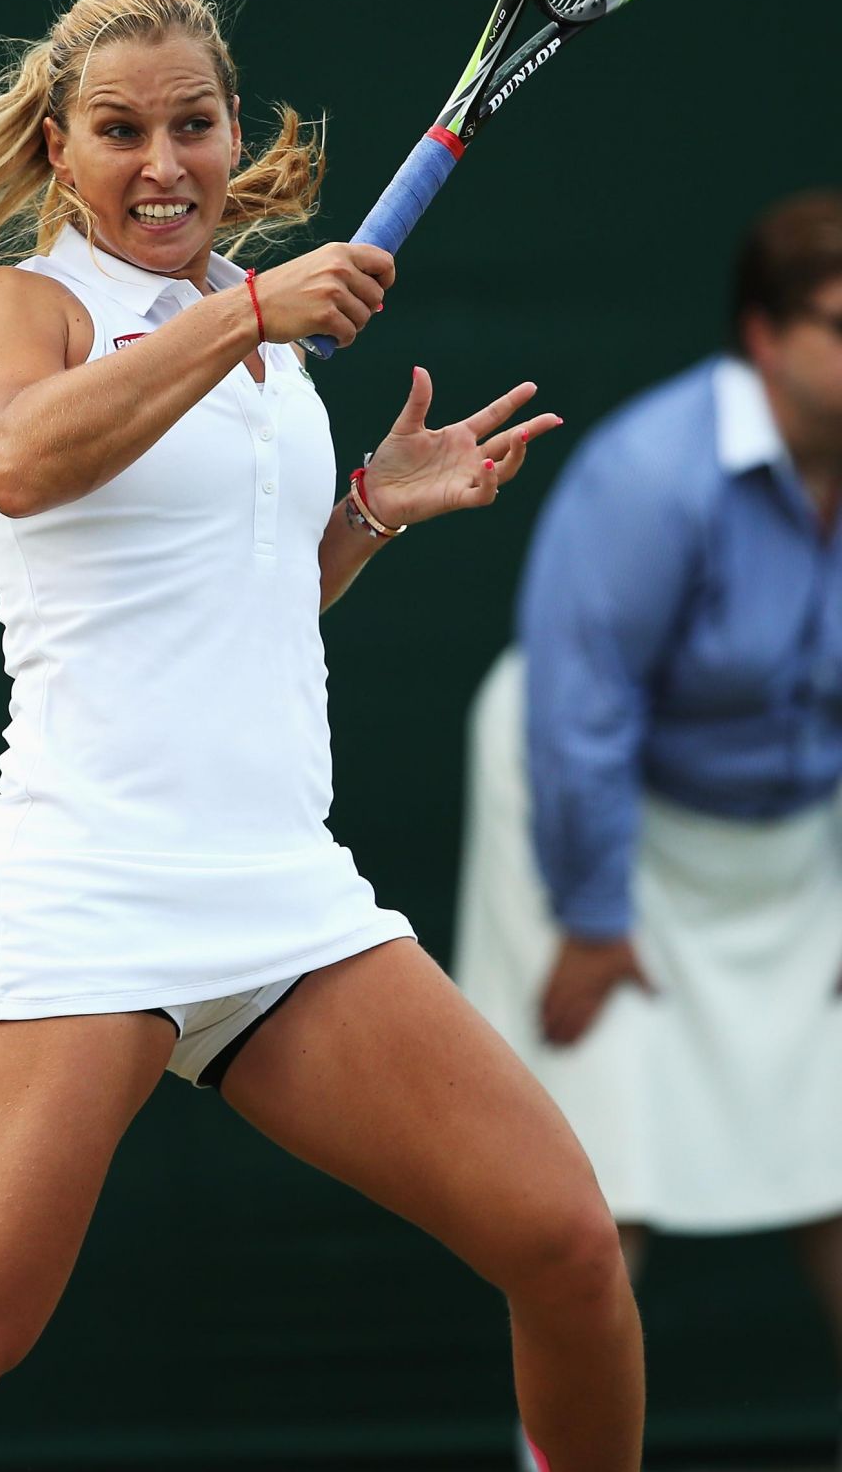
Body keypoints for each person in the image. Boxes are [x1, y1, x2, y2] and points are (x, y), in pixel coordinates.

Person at [0, 0, 643, 1472]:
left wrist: (363, 510)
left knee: (566, 1244)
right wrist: (245, 314)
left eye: (193, 124)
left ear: (234, 134)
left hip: (284, 895)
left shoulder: (264, 342)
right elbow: (22, 457)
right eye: (120, 129)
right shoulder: (22, 309)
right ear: (57, 144)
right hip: (93, 887)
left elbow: (235, 614)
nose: (163, 160)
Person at [454, 191, 842, 1459]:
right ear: (764, 338)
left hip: (794, 839)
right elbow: (580, 717)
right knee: (584, 1202)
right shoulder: (651, 474)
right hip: (587, 829)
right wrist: (592, 918)